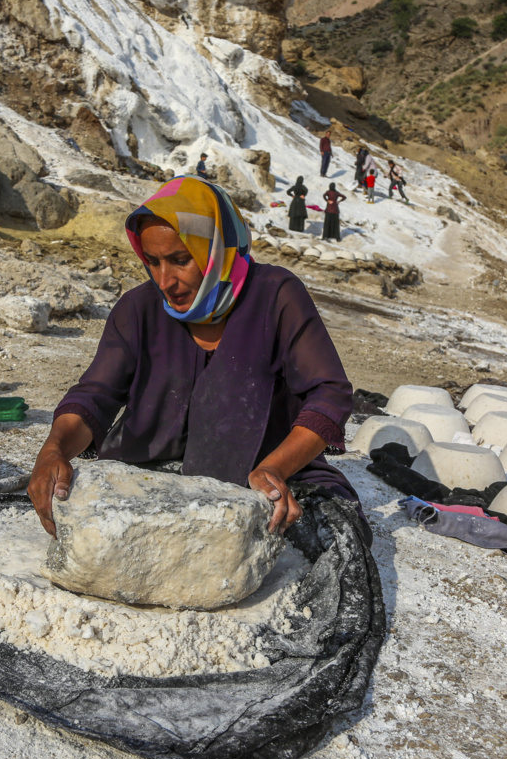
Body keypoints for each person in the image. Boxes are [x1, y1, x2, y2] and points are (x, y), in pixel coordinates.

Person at [28, 175, 357, 538]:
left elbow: (329, 393)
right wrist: (53, 450)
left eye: (180, 260)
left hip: (264, 476)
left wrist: (275, 468)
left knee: (326, 535)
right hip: (147, 472)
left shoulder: (275, 296)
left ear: (214, 248)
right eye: (152, 261)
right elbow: (94, 396)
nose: (164, 281)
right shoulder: (139, 309)